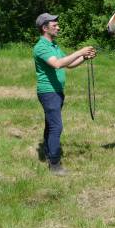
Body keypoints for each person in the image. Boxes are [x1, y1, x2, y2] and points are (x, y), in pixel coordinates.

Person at [33, 13, 95, 175]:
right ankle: (54, 164)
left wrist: (84, 57)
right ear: (44, 28)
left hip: (56, 92)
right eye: (55, 25)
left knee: (50, 125)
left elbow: (69, 64)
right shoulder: (41, 47)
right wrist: (80, 50)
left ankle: (47, 153)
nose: (58, 27)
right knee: (56, 126)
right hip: (48, 92)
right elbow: (58, 64)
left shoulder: (54, 46)